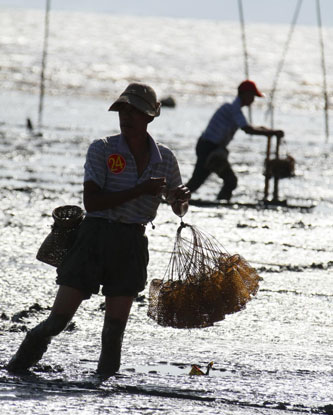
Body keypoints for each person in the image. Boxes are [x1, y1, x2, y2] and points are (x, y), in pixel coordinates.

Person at [7, 82, 190, 378]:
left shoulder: (165, 158)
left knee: (115, 329)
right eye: (123, 111)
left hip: (132, 242)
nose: (126, 117)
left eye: (134, 112)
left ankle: (103, 383)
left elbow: (176, 206)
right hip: (93, 237)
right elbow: (92, 202)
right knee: (58, 320)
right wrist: (140, 189)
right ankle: (15, 369)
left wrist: (180, 200)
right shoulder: (102, 149)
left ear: (150, 117)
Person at [186, 80, 284, 201]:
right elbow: (248, 129)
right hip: (209, 149)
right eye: (252, 96)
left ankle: (175, 198)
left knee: (198, 181)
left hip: (210, 147)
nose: (253, 100)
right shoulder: (233, 109)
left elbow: (250, 127)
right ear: (245, 94)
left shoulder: (233, 109)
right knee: (228, 181)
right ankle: (219, 203)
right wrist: (272, 133)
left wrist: (270, 131)